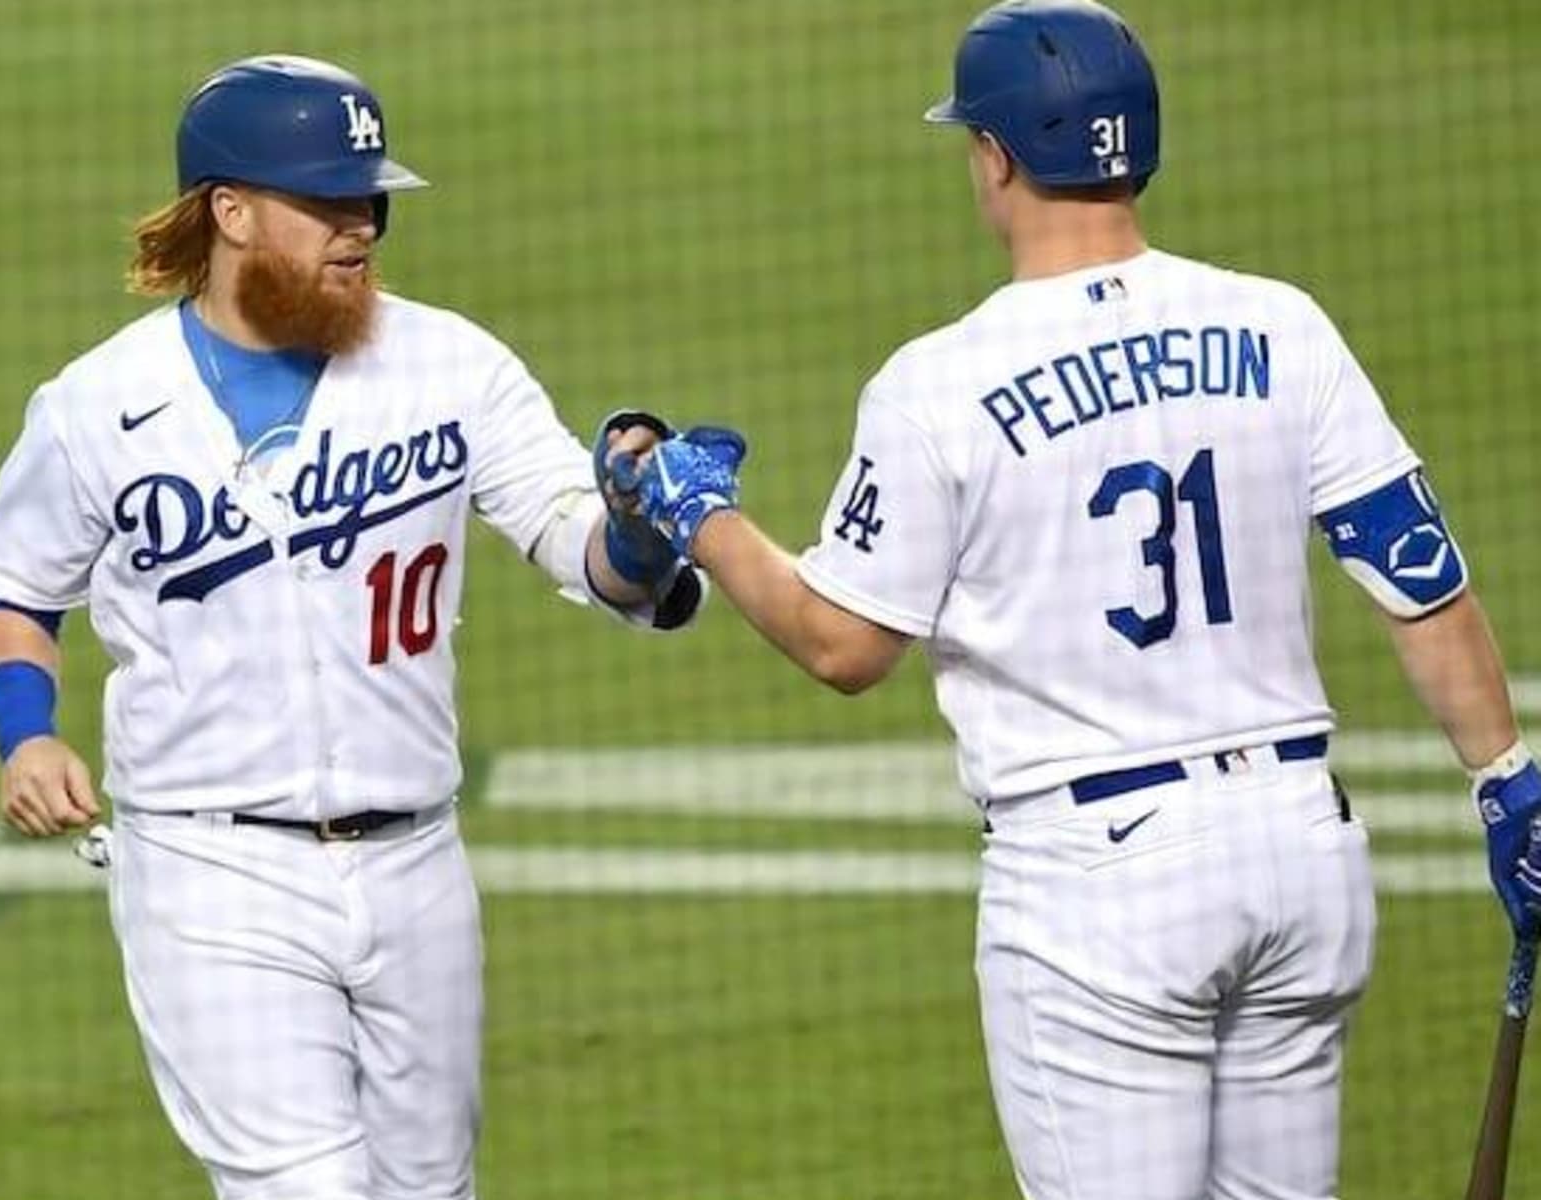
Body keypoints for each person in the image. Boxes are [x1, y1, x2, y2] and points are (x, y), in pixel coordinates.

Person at [599, 2, 1541, 1197]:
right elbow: (1414, 571)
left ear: (993, 157)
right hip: (1303, 856)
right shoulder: (1277, 323)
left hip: (1101, 890)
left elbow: (842, 644)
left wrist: (700, 514)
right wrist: (1504, 777)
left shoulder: (940, 383)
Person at [0, 55, 699, 1200]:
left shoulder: (448, 364)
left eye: (369, 202)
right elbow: (11, 590)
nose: (359, 228)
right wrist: (27, 731)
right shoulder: (97, 408)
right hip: (211, 870)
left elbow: (577, 542)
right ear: (232, 210)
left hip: (417, 867)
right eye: (327, 204)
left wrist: (637, 528)